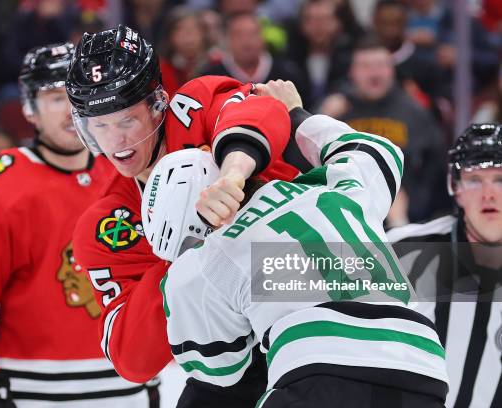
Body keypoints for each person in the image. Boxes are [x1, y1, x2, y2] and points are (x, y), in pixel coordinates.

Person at [144, 99, 448, 407]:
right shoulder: (335, 191)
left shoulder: (206, 258)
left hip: (317, 373)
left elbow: (221, 373)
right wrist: (297, 116)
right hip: (423, 366)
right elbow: (377, 151)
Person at [67, 24, 305, 405]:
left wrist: (233, 175)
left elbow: (264, 110)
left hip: (315, 296)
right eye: (100, 125)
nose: (116, 141)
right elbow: (133, 360)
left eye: (126, 119)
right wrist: (180, 250)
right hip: (236, 358)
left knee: (421, 270)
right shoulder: (108, 224)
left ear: (157, 104)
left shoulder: (195, 105)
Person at [0, 43, 156, 407]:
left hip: (124, 389)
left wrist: (149, 377)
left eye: (78, 96)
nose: (71, 112)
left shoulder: (132, 172)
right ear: (29, 109)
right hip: (27, 393)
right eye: (55, 98)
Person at [387, 123, 502, 407]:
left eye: (500, 179)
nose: (489, 194)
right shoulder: (404, 250)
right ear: (456, 188)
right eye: (475, 180)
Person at [319, 37, 449, 225]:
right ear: (352, 72)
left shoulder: (414, 112)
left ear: (392, 70)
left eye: (381, 65)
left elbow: (436, 171)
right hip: (343, 219)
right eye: (365, 66)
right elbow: (306, 162)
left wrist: (413, 210)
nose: (374, 73)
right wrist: (322, 117)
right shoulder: (334, 110)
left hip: (405, 220)